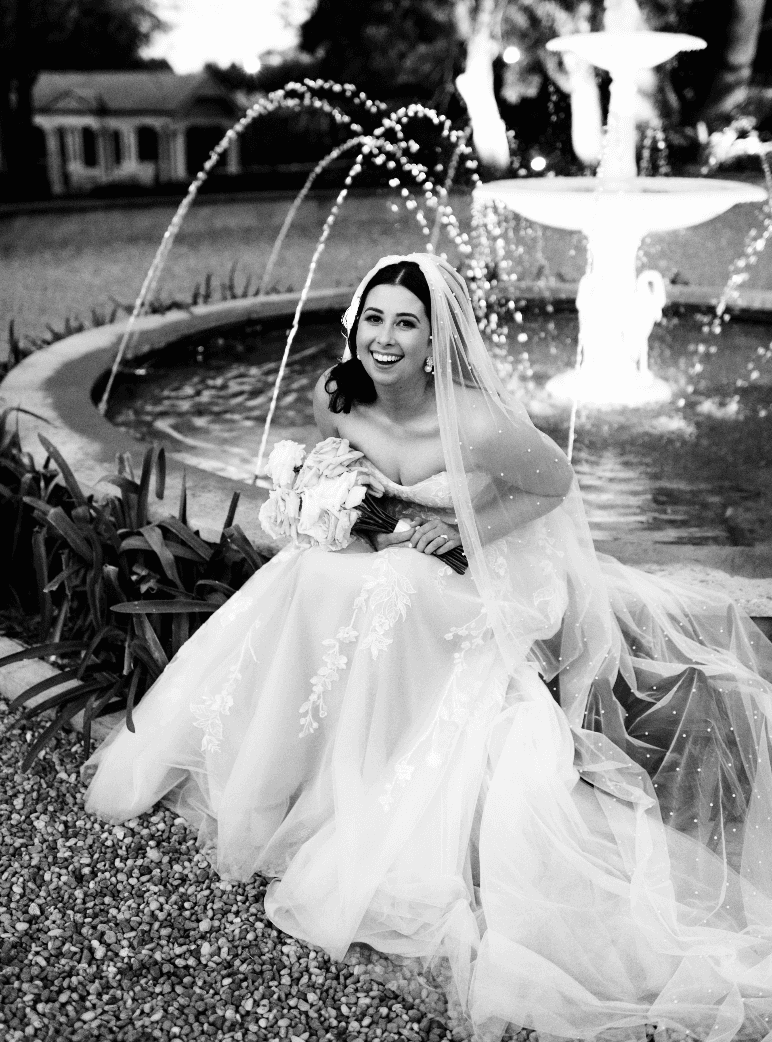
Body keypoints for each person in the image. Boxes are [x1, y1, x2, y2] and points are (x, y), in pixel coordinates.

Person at [84, 253, 772, 1042]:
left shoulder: (472, 418)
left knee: (396, 586)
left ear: (435, 339)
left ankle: (382, 763)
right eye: (373, 318)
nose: (385, 337)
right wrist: (334, 504)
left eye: (405, 322)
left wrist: (465, 529)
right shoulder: (335, 396)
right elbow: (341, 471)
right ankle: (295, 766)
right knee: (309, 573)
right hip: (393, 563)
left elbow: (554, 481)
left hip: (475, 577)